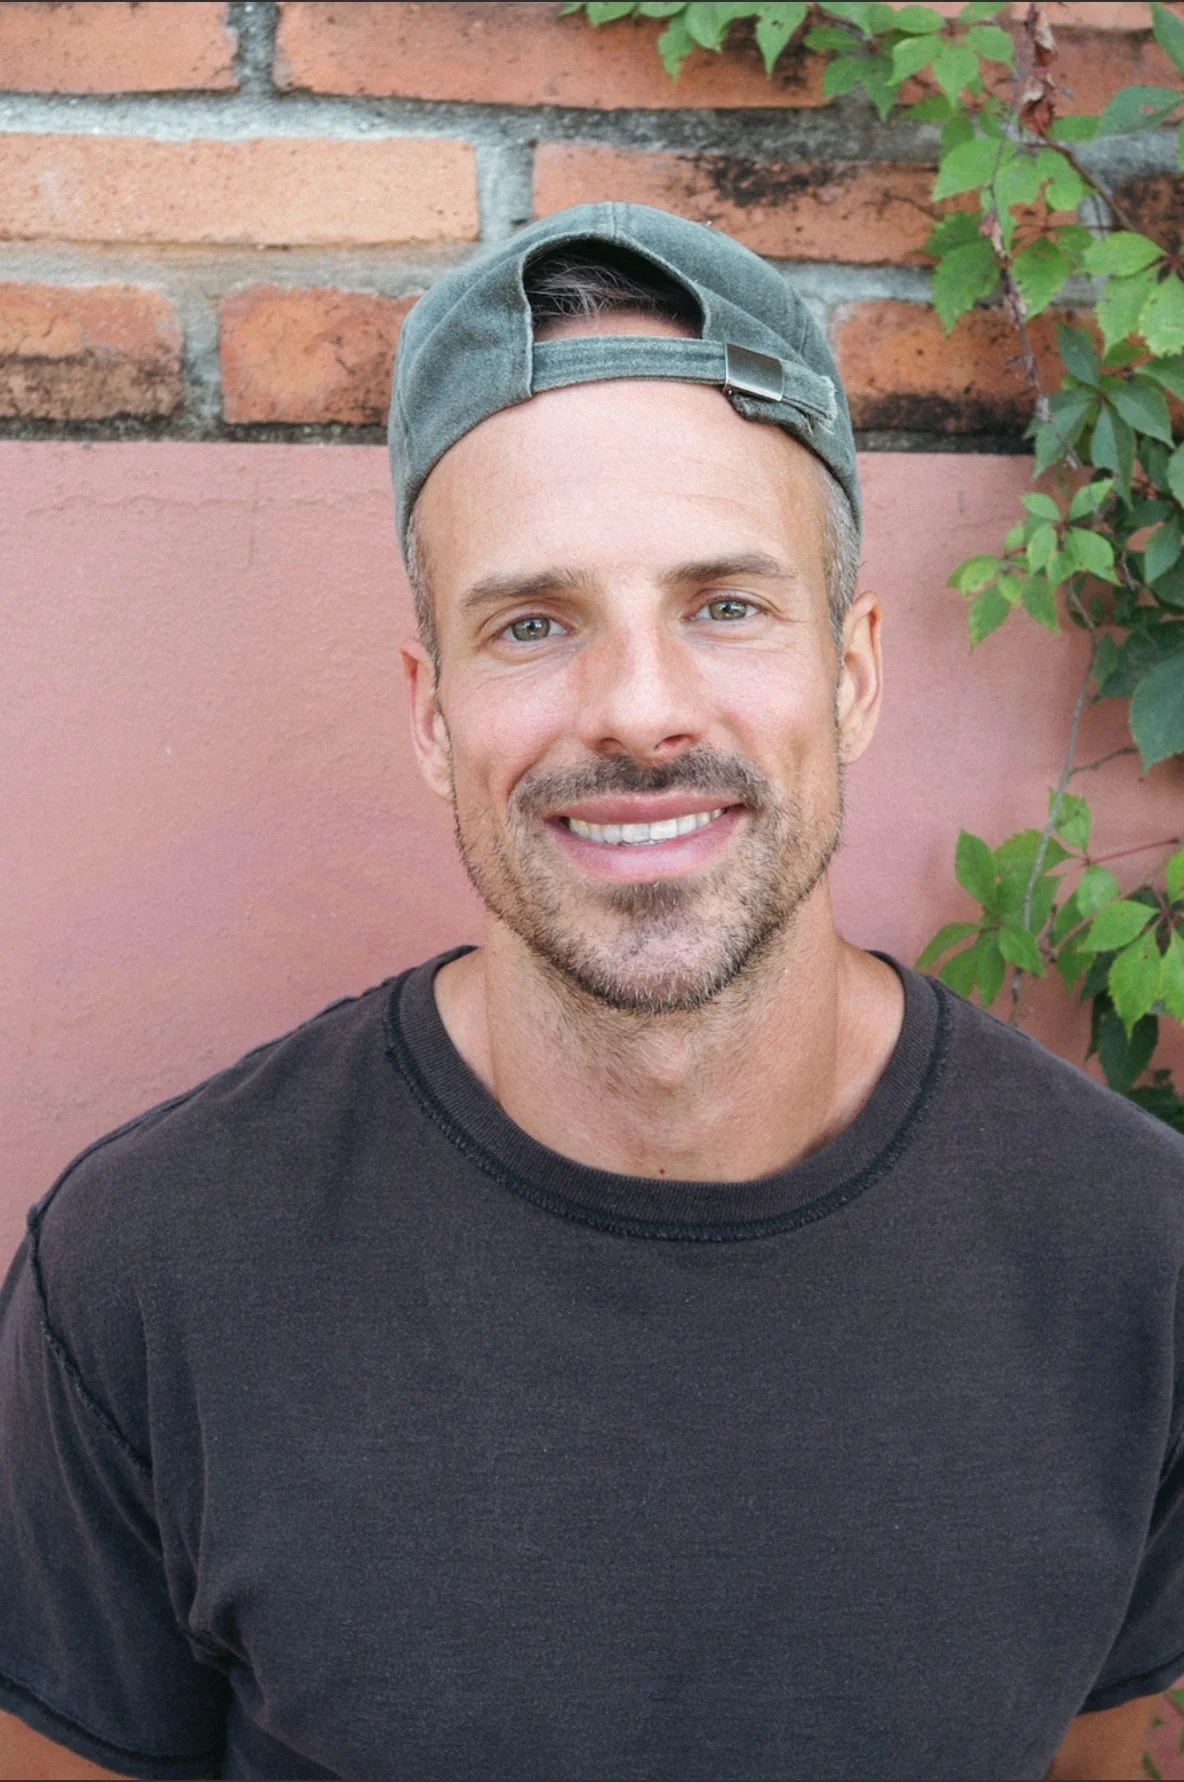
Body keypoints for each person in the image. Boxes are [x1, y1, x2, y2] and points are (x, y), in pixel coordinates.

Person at [1, 202, 1182, 1782]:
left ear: (853, 674)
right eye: (534, 623)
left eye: (727, 604)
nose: (637, 708)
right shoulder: (149, 1273)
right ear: (433, 715)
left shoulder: (1134, 1257)